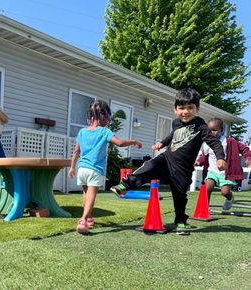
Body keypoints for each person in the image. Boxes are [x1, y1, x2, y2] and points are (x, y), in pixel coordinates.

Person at [110, 88, 226, 235]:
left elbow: (215, 143)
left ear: (197, 109)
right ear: (175, 110)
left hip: (182, 170)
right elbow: (172, 136)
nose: (185, 112)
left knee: (180, 197)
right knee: (149, 166)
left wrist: (220, 157)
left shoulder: (201, 126)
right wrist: (162, 144)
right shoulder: (176, 123)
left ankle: (181, 222)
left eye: (190, 107)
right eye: (181, 108)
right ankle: (125, 185)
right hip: (166, 159)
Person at [68, 100, 142, 234]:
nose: (108, 121)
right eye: (108, 117)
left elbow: (76, 151)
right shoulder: (104, 131)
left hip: (82, 168)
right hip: (94, 169)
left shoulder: (82, 132)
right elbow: (119, 143)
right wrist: (134, 141)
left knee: (86, 193)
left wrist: (72, 167)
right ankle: (83, 220)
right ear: (103, 115)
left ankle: (89, 217)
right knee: (92, 195)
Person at [195, 118, 251, 210]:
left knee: (225, 192)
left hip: (226, 173)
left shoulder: (229, 141)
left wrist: (248, 158)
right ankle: (204, 209)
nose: (212, 133)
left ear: (222, 129)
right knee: (207, 188)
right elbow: (204, 156)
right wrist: (199, 161)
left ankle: (230, 198)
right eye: (210, 131)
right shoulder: (207, 143)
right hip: (212, 171)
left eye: (215, 130)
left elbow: (244, 149)